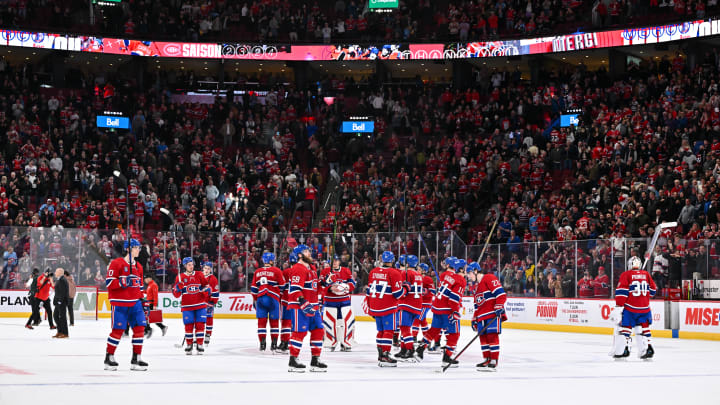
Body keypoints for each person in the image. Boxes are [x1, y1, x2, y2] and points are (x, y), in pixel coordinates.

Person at [104, 239, 148, 371]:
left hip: (135, 304)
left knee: (140, 329)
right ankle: (109, 358)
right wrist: (122, 282)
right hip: (120, 304)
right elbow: (109, 283)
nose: (138, 250)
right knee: (117, 331)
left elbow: (140, 287)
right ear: (128, 249)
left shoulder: (139, 266)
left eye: (139, 248)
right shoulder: (116, 263)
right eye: (136, 247)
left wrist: (143, 301)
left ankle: (136, 359)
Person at [414, 257, 466, 368]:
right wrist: (455, 311)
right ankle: (447, 358)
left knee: (434, 330)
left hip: (437, 307)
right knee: (454, 334)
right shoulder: (461, 280)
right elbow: (453, 299)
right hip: (447, 309)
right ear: (460, 269)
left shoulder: (444, 276)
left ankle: (420, 349)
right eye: (464, 269)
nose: (466, 271)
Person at [286, 244, 327, 372]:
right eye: (306, 251)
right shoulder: (298, 268)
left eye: (309, 251)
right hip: (300, 307)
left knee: (318, 330)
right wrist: (302, 302)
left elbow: (314, 287)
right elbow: (295, 289)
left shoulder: (312, 268)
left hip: (313, 306)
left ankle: (315, 360)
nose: (309, 253)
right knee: (299, 332)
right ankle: (293, 360)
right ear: (299, 255)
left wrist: (325, 282)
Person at [610, 256, 657, 360]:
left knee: (625, 328)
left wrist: (619, 306)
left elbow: (622, 292)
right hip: (645, 308)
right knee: (643, 328)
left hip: (631, 308)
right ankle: (647, 348)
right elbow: (653, 291)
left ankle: (624, 349)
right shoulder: (646, 274)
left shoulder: (626, 274)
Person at [366, 250, 405, 367]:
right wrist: (406, 288)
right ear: (393, 260)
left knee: (381, 331)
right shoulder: (394, 273)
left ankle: (380, 353)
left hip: (375, 306)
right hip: (388, 307)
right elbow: (398, 294)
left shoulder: (373, 271)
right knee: (388, 331)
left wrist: (370, 307)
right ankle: (385, 355)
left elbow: (368, 291)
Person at [469, 262, 507, 371]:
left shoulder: (489, 278)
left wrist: (499, 305)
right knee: (483, 337)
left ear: (476, 271)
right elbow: (477, 305)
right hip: (481, 316)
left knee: (491, 335)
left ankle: (494, 360)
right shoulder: (475, 287)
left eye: (469, 273)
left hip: (492, 314)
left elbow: (500, 294)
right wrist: (474, 318)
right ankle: (487, 359)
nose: (468, 276)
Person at [173, 257, 211, 355]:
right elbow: (176, 295)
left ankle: (199, 345)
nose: (191, 266)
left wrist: (206, 291)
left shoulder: (199, 274)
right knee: (188, 326)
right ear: (185, 266)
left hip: (200, 305)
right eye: (189, 265)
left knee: (200, 325)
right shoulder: (180, 277)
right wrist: (178, 288)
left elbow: (206, 286)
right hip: (187, 306)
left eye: (192, 264)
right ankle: (189, 345)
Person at [251, 252, 286, 352]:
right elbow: (283, 286)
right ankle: (274, 344)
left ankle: (262, 344)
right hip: (273, 298)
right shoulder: (277, 270)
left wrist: (255, 299)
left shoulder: (257, 272)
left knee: (261, 323)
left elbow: (253, 289)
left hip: (261, 298)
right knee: (274, 322)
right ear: (271, 261)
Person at [320, 255, 356, 351]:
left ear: (339, 261)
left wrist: (346, 287)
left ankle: (346, 342)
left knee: (346, 322)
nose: (335, 262)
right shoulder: (325, 271)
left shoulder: (346, 271)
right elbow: (321, 285)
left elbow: (353, 283)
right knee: (330, 322)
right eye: (333, 261)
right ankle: (331, 342)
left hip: (344, 301)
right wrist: (330, 287)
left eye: (336, 260)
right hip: (330, 301)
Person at [395, 254, 424, 361]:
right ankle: (403, 349)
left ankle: (410, 349)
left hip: (406, 304)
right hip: (417, 305)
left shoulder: (405, 273)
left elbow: (404, 290)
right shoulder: (418, 275)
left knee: (404, 328)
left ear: (407, 264)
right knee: (406, 327)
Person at [277, 252, 298, 354]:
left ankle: (284, 343)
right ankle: (293, 343)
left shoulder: (285, 272)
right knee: (294, 323)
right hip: (297, 300)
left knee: (285, 322)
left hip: (286, 300)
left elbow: (281, 287)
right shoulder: (301, 271)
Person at [411, 263, 435, 343]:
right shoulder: (417, 277)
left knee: (417, 319)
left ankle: (413, 336)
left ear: (424, 271)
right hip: (419, 303)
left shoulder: (428, 279)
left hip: (425, 304)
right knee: (422, 320)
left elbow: (433, 292)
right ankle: (426, 338)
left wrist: (424, 291)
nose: (417, 270)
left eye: (419, 269)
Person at [203, 261, 219, 346]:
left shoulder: (213, 279)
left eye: (208, 269)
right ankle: (197, 336)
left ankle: (208, 334)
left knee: (209, 318)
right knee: (198, 320)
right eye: (205, 268)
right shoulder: (199, 276)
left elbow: (216, 292)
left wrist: (212, 301)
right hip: (200, 303)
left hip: (208, 303)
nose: (206, 270)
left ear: (211, 270)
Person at [52, 268, 69, 338]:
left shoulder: (62, 280)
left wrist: (60, 301)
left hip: (61, 302)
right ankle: (60, 331)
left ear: (60, 272)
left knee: (62, 317)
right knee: (55, 316)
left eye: (56, 271)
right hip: (58, 302)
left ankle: (65, 333)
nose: (55, 273)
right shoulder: (59, 279)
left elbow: (63, 292)